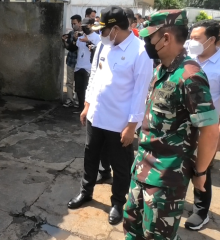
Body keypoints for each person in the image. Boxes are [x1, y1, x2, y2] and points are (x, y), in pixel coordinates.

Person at [123, 10, 219, 240]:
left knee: (156, 235)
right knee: (132, 227)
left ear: (165, 38)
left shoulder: (190, 76)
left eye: (149, 37)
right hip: (142, 168)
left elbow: (210, 129)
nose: (146, 42)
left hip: (166, 177)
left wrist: (200, 172)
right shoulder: (163, 69)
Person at [67, 6, 153, 227]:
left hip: (119, 123)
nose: (102, 35)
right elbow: (95, 76)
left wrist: (131, 126)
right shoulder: (106, 46)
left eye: (104, 30)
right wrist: (87, 105)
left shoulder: (141, 52)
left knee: (120, 165)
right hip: (97, 116)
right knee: (90, 157)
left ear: (115, 29)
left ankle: (117, 202)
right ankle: (86, 192)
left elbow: (140, 94)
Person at [185, 19, 220, 231]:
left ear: (212, 40)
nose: (191, 42)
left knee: (202, 168)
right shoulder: (189, 59)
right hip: (184, 124)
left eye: (196, 38)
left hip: (208, 127)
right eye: (190, 38)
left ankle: (201, 211)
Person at [72, 18, 100, 112]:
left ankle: (87, 109)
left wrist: (88, 42)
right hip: (79, 66)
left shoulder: (97, 37)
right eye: (83, 27)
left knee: (87, 89)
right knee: (79, 89)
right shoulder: (80, 37)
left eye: (86, 26)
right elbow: (76, 48)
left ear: (92, 25)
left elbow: (97, 51)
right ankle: (80, 108)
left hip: (89, 68)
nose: (84, 28)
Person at [62, 14, 82, 108]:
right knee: (69, 82)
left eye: (75, 23)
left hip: (80, 62)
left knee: (79, 83)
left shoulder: (83, 34)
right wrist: (65, 41)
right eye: (72, 23)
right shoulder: (70, 33)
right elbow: (69, 48)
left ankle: (77, 100)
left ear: (80, 23)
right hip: (70, 60)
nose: (73, 25)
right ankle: (69, 99)